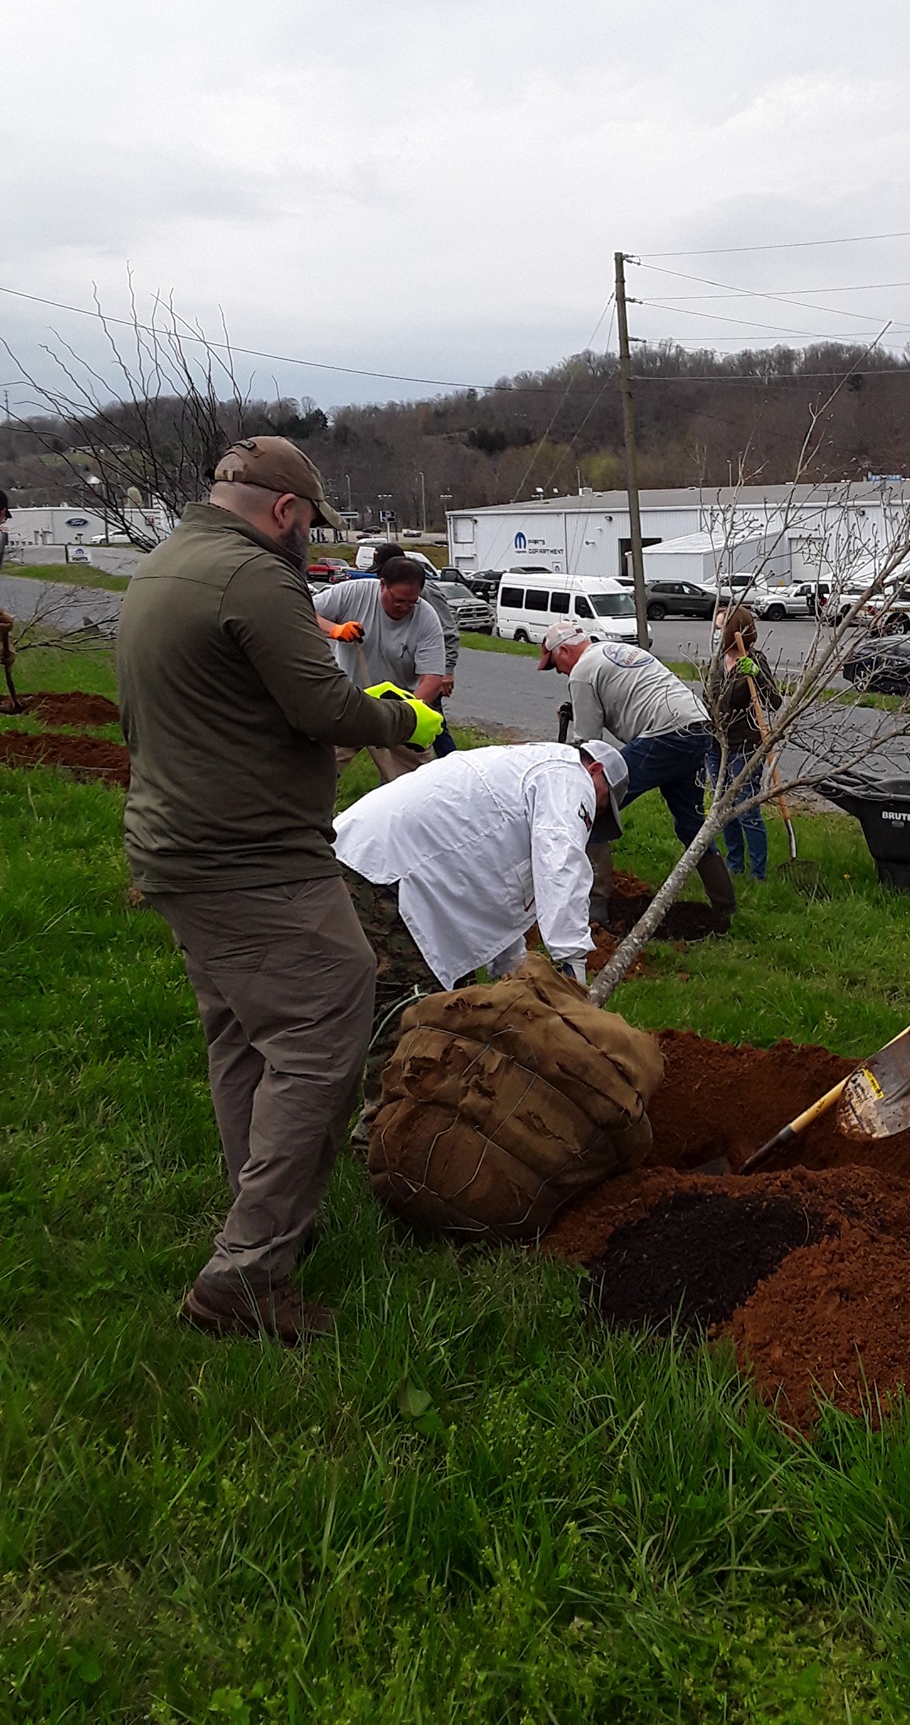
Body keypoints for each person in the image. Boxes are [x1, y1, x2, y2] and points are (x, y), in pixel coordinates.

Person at [115, 436, 443, 1343]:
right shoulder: (256, 576)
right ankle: (249, 1270)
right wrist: (401, 713)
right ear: (287, 512)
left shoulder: (162, 567)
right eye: (309, 523)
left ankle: (262, 1217)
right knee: (328, 1016)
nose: (307, 539)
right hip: (249, 858)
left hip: (180, 850)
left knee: (244, 1038)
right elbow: (323, 708)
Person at [332, 736, 629, 1147]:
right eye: (600, 805)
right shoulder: (566, 775)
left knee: (382, 1001)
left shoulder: (524, 774)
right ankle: (382, 1136)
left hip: (375, 864)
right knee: (414, 1009)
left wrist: (511, 969)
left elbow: (505, 890)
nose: (593, 818)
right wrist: (571, 972)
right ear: (595, 771)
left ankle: (329, 1108)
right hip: (391, 876)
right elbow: (559, 865)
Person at [537, 620, 736, 922]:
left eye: (555, 664)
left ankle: (596, 908)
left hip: (665, 734)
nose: (559, 672)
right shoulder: (612, 650)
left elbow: (590, 751)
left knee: (592, 803)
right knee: (692, 823)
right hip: (696, 727)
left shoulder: (581, 672)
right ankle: (725, 908)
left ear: (563, 650)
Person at [313, 557, 447, 782]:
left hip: (395, 708)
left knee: (418, 786)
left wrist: (407, 717)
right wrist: (334, 629)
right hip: (349, 704)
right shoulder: (352, 593)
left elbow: (431, 679)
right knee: (314, 773)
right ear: (382, 584)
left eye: (411, 602)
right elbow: (299, 612)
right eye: (397, 600)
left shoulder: (426, 618)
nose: (404, 608)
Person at [703, 603, 782, 883]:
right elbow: (708, 701)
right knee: (724, 810)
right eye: (716, 628)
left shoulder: (754, 661)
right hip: (716, 747)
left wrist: (757, 676)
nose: (717, 634)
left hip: (744, 747)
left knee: (746, 809)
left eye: (721, 628)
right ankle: (734, 865)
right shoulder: (715, 662)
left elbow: (775, 702)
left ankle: (758, 874)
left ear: (737, 631)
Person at [364, 543, 460, 757]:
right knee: (405, 743)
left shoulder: (426, 593)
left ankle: (455, 769)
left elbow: (448, 631)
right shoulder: (380, 592)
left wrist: (447, 670)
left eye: (382, 570)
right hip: (401, 677)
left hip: (426, 675)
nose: (380, 576)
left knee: (433, 732)